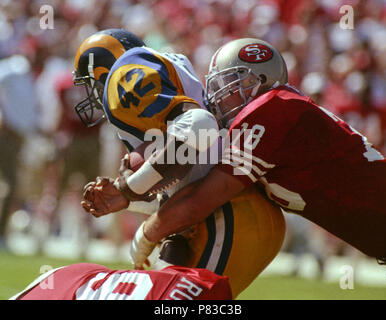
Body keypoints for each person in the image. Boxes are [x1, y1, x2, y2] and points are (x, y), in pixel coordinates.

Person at [121, 38, 386, 283]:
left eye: (226, 84)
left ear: (254, 81)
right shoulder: (279, 112)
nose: (216, 96)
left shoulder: (270, 110)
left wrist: (146, 234)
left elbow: (200, 202)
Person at [75, 30, 286, 298]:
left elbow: (199, 127)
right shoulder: (167, 66)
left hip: (224, 213)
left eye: (91, 83)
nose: (92, 93)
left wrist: (130, 188)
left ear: (104, 71)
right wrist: (127, 197)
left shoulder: (124, 74)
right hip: (230, 209)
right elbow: (187, 170)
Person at [10, 235, 232, 300]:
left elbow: (173, 256)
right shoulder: (210, 289)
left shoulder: (208, 288)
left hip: (71, 280)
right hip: (76, 280)